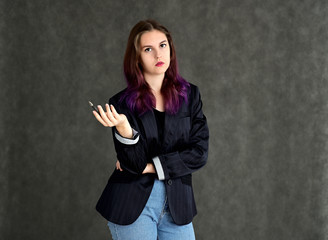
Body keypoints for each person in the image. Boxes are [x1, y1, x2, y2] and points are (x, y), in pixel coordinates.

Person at [92, 19, 209, 240]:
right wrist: (125, 129)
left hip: (178, 204)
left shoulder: (190, 95)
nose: (158, 55)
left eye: (163, 45)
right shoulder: (121, 103)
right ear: (136, 57)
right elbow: (133, 164)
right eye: (148, 49)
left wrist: (150, 166)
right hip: (132, 203)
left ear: (171, 49)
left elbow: (199, 153)